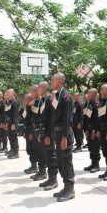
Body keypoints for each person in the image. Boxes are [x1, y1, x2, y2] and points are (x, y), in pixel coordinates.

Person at [51, 72, 76, 202]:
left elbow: (67, 119)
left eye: (53, 80)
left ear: (60, 81)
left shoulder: (66, 97)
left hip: (64, 133)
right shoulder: (58, 96)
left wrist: (65, 137)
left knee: (66, 161)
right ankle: (65, 187)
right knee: (60, 161)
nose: (51, 82)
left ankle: (70, 188)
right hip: (58, 132)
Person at [38, 81, 59, 191]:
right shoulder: (43, 100)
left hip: (48, 133)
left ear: (45, 88)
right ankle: (49, 178)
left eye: (40, 88)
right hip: (43, 132)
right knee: (45, 155)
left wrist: (49, 136)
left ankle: (53, 179)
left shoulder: (51, 100)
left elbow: (52, 120)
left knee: (51, 156)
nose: (38, 90)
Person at [29, 85, 45, 181]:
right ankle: (39, 169)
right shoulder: (35, 102)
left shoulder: (42, 102)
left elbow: (41, 117)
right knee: (36, 150)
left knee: (41, 151)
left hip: (40, 129)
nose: (32, 94)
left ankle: (43, 171)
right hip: (34, 128)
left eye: (33, 92)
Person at [84, 88, 101, 173]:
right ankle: (92, 163)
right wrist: (87, 129)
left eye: (90, 93)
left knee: (95, 146)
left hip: (94, 128)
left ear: (94, 95)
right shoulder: (90, 104)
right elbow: (88, 118)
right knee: (90, 146)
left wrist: (94, 130)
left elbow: (96, 119)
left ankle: (96, 165)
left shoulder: (96, 104)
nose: (88, 94)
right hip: (89, 127)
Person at [22, 93, 38, 174]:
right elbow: (26, 120)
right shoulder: (27, 108)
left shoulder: (33, 108)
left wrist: (31, 132)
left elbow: (32, 121)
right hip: (27, 130)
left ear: (31, 100)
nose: (25, 101)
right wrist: (24, 131)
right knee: (29, 148)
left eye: (26, 99)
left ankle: (35, 166)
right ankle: (32, 165)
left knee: (32, 149)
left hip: (31, 130)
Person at [4, 89, 19, 159]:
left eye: (9, 93)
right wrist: (7, 123)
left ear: (13, 93)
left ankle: (16, 152)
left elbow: (15, 114)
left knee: (14, 137)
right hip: (9, 122)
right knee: (10, 136)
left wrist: (13, 123)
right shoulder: (9, 102)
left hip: (13, 122)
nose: (8, 94)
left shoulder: (14, 102)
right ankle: (12, 149)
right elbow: (7, 113)